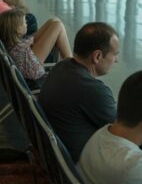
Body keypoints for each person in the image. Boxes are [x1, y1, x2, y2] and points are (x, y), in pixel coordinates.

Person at [37, 23, 121, 161]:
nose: (116, 60)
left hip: (54, 157)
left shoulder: (61, 66)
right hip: (80, 165)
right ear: (97, 56)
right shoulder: (93, 90)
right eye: (115, 54)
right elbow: (125, 133)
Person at [0, 8, 72, 84]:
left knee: (53, 21)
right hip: (31, 66)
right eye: (24, 22)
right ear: (17, 29)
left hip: (24, 55)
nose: (26, 24)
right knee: (58, 25)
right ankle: (73, 68)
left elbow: (25, 43)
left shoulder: (11, 42)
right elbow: (25, 45)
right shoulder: (18, 47)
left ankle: (70, 64)